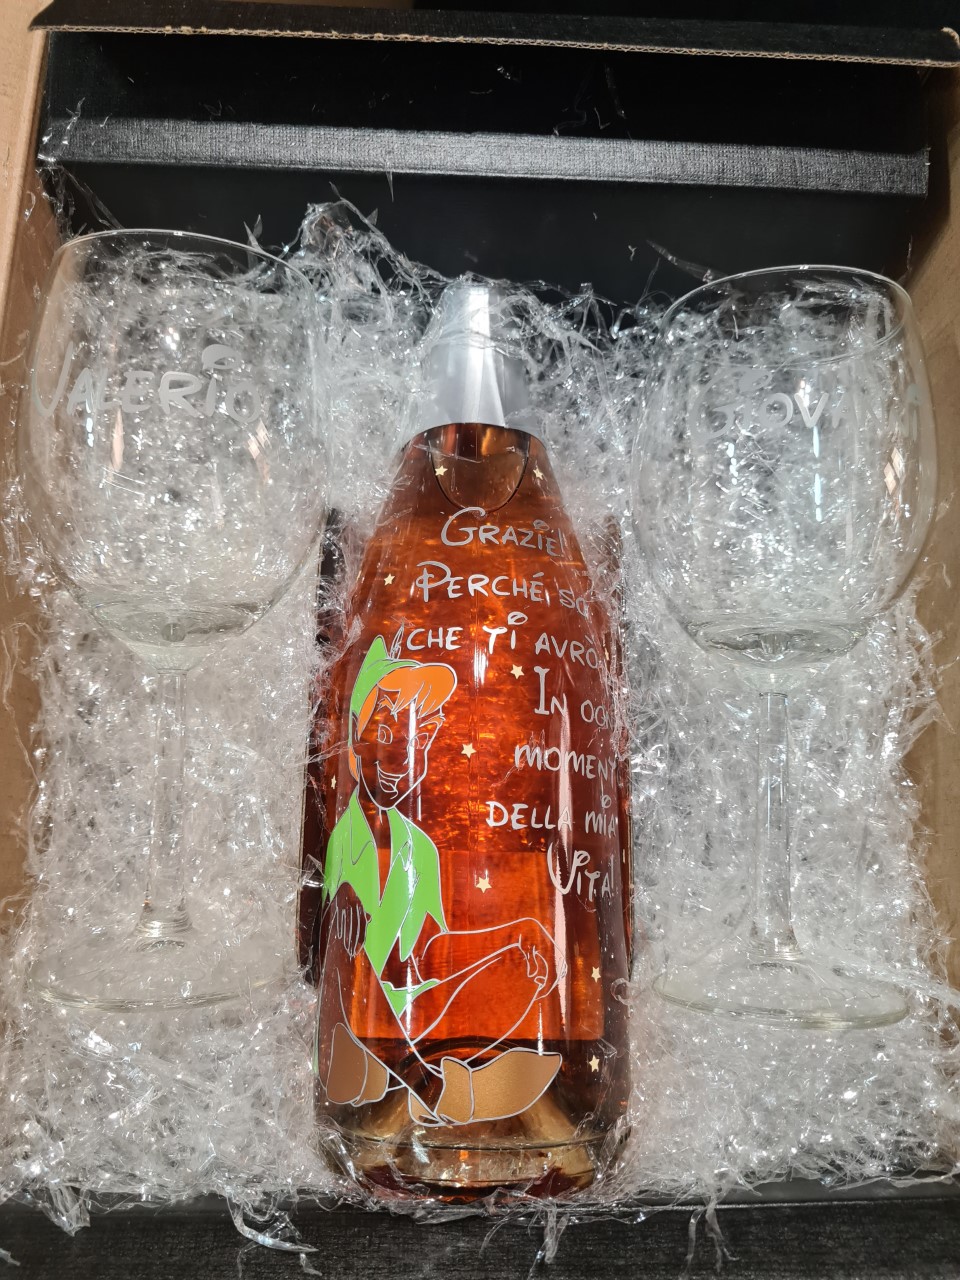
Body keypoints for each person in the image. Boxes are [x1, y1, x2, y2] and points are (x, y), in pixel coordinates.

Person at [317, 635, 564, 1125]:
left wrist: (509, 939)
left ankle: (428, 1080)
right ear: (353, 741)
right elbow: (329, 952)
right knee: (345, 960)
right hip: (353, 1020)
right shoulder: (344, 836)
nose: (403, 758)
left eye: (419, 739)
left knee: (524, 967)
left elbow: (430, 951)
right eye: (386, 734)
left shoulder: (418, 847)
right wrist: (338, 903)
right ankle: (433, 1088)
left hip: (409, 1007)